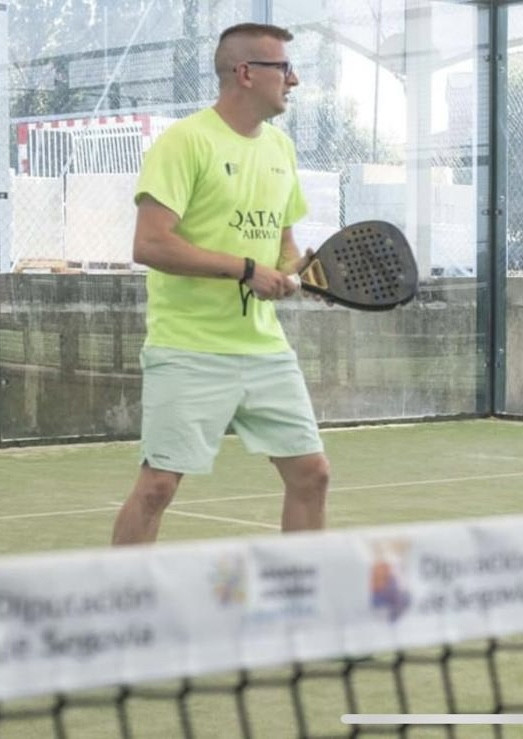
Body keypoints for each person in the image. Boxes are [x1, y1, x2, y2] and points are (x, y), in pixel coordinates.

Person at [111, 22, 329, 545]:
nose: (294, 80)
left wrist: (302, 272)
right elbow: (150, 244)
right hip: (187, 347)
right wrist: (247, 270)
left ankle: (300, 588)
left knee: (312, 474)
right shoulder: (184, 142)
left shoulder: (281, 149)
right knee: (157, 487)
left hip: (264, 349)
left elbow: (283, 245)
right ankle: (121, 592)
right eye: (284, 68)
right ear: (246, 73)